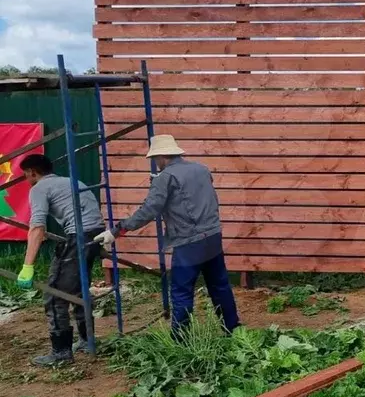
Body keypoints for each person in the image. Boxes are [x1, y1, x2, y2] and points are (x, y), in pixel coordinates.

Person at [95, 135, 239, 338]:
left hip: (189, 241)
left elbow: (149, 210)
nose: (155, 163)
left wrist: (116, 231)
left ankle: (180, 340)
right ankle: (233, 330)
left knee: (181, 291)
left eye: (155, 159)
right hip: (213, 235)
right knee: (220, 285)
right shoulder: (201, 168)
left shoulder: (165, 178)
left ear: (161, 156)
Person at [16, 154, 106, 366]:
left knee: (55, 294)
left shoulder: (38, 188)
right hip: (96, 234)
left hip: (79, 237)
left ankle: (61, 353)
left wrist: (27, 266)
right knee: (78, 290)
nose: (27, 179)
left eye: (26, 175)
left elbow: (37, 227)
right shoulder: (71, 181)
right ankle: (86, 339)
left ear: (32, 172)